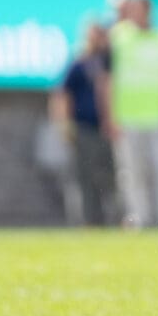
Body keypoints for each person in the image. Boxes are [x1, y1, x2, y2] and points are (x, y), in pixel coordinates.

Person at [107, 0, 158, 228]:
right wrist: (111, 116)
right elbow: (107, 82)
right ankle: (139, 218)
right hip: (127, 116)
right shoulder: (117, 38)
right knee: (132, 173)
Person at [48, 18, 115, 227]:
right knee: (84, 178)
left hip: (108, 129)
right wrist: (64, 124)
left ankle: (115, 220)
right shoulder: (79, 63)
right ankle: (89, 221)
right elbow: (62, 95)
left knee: (111, 178)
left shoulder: (111, 62)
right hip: (85, 127)